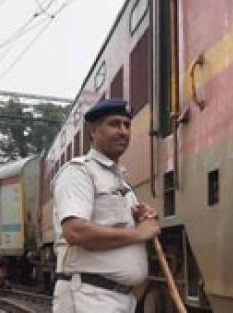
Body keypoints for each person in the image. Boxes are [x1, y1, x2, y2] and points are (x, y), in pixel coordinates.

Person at [52, 99, 161, 313]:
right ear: (93, 131)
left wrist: (140, 219)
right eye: (114, 124)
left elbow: (116, 228)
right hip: (91, 297)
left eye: (127, 125)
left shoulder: (122, 182)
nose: (123, 131)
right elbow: (75, 231)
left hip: (115, 298)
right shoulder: (79, 172)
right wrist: (139, 233)